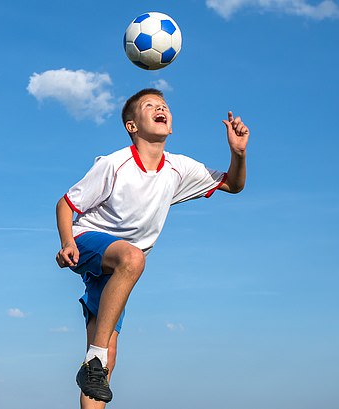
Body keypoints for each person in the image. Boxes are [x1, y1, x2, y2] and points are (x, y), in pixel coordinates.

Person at [55, 88, 250, 407]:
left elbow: (233, 185)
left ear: (170, 125)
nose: (161, 109)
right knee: (132, 258)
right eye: (150, 106)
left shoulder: (179, 169)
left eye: (164, 106)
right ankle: (94, 359)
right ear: (132, 125)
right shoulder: (114, 164)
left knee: (107, 362)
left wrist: (238, 153)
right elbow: (66, 204)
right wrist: (66, 243)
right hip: (89, 241)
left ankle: (95, 364)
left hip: (119, 270)